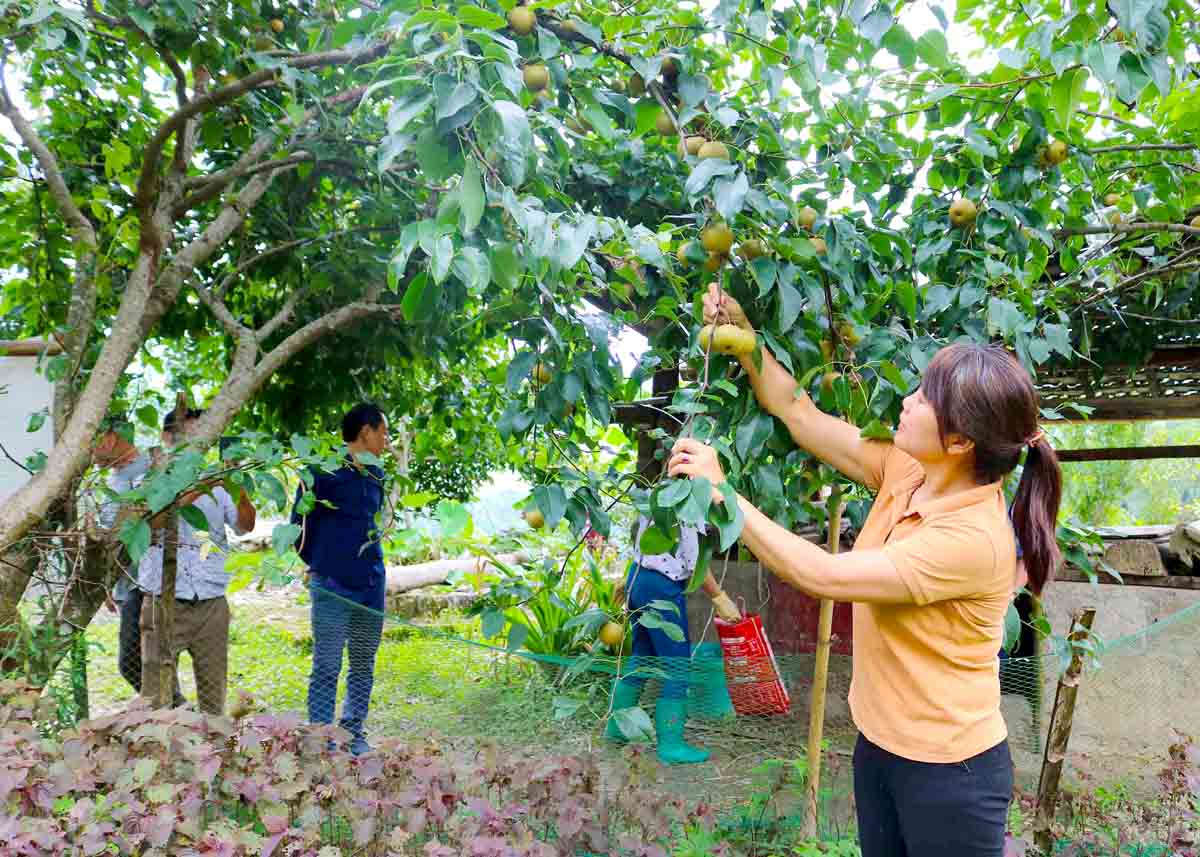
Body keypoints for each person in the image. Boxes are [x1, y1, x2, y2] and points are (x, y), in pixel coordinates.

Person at [665, 283, 1062, 856]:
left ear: (957, 441)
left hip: (952, 772)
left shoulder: (972, 539)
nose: (907, 400)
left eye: (925, 399)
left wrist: (722, 491)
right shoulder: (910, 469)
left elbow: (825, 576)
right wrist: (746, 342)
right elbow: (797, 412)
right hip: (880, 746)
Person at [138, 407, 256, 715]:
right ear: (167, 438)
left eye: (204, 438)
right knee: (156, 694)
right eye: (191, 437)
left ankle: (214, 754)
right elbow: (151, 523)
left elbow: (246, 526)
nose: (198, 446)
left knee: (213, 694)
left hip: (211, 601)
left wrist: (237, 483)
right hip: (164, 601)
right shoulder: (152, 476)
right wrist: (200, 487)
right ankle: (161, 752)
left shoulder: (222, 480)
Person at [292, 402, 390, 756]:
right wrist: (323, 564)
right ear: (366, 431)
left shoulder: (377, 473)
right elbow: (298, 530)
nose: (388, 441)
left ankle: (353, 732)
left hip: (370, 583)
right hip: (332, 585)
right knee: (327, 665)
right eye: (384, 432)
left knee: (363, 661)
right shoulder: (320, 471)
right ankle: (321, 738)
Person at [605, 515, 741, 765]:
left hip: (638, 577)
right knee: (678, 666)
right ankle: (671, 745)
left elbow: (642, 543)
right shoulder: (689, 510)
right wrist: (720, 597)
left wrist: (633, 581)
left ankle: (617, 729)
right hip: (661, 587)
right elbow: (695, 563)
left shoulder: (657, 496)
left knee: (642, 656)